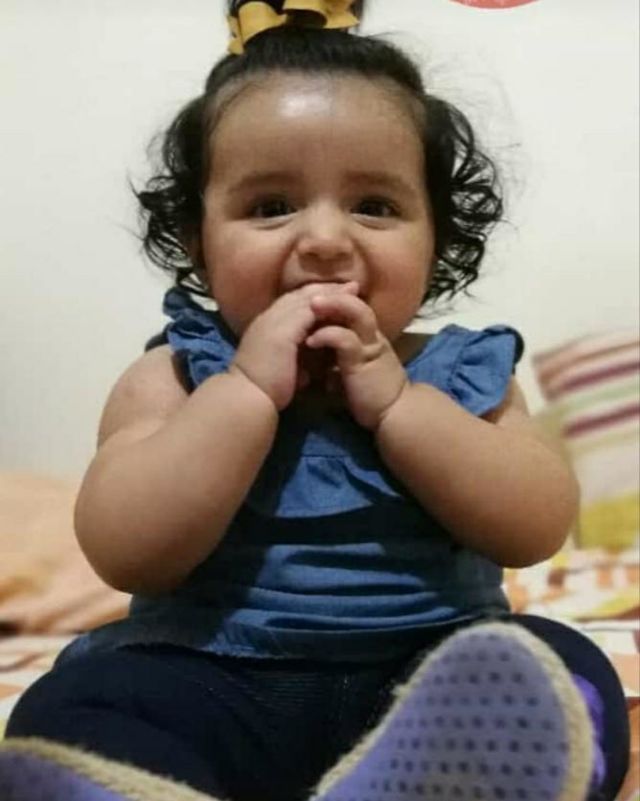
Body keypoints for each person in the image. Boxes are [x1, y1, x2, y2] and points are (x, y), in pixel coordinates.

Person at [0, 2, 630, 800]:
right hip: (205, 678)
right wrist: (245, 392)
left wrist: (398, 406)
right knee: (73, 707)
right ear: (198, 240)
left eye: (375, 205)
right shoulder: (175, 377)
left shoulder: (465, 373)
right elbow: (124, 549)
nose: (326, 240)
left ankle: (423, 778)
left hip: (430, 683)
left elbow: (535, 525)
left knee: (566, 671)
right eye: (271, 206)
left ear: (435, 238)